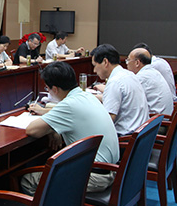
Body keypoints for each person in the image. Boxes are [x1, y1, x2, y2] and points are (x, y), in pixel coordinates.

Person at [20, 61, 119, 195]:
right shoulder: (86, 96)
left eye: (47, 88)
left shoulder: (69, 104)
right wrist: (53, 128)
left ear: (55, 89)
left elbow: (32, 130)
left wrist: (52, 128)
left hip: (93, 175)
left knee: (29, 180)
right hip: (110, 169)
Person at [92, 44, 149, 136]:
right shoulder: (129, 74)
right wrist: (92, 97)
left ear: (105, 62)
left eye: (95, 65)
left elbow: (108, 121)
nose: (94, 70)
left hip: (126, 137)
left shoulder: (115, 82)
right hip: (141, 133)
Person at [126, 47, 174, 115]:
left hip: (159, 120)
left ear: (137, 63)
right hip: (165, 116)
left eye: (128, 60)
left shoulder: (142, 77)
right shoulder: (154, 72)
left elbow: (127, 100)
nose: (127, 63)